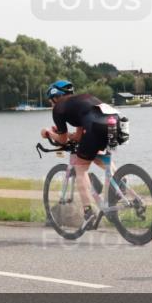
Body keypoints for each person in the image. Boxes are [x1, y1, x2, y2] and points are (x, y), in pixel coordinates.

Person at [40, 80, 118, 222]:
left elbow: (62, 140)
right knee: (97, 155)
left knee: (80, 168)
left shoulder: (58, 108)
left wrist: (49, 133)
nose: (51, 104)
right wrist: (66, 135)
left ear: (56, 97)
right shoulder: (82, 101)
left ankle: (88, 212)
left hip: (94, 127)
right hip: (114, 123)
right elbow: (78, 136)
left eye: (51, 100)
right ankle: (120, 184)